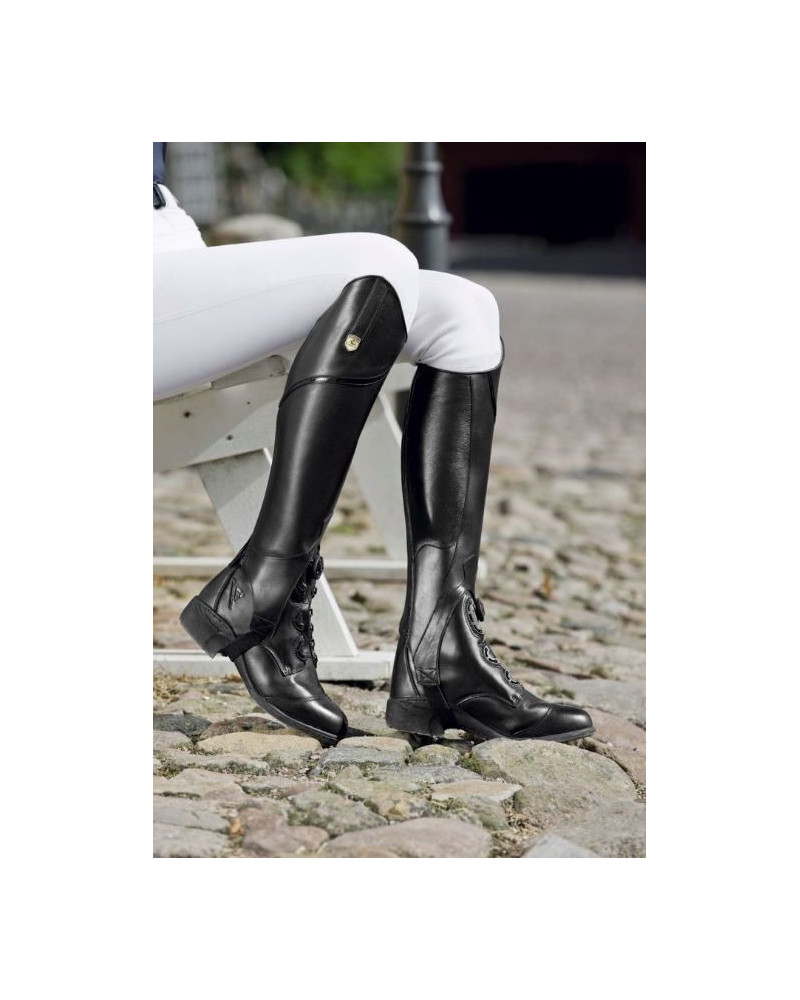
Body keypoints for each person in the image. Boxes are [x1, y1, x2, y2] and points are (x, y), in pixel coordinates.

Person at [154, 142, 593, 747]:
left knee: (465, 310)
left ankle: (442, 655)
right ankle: (266, 588)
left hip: (169, 245)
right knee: (378, 262)